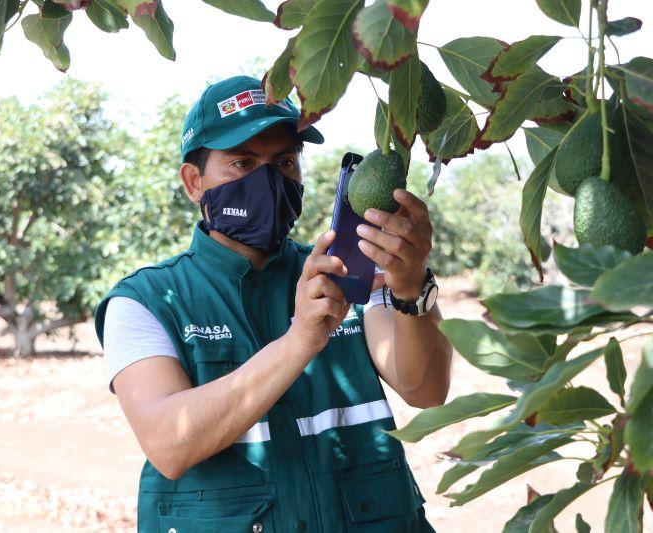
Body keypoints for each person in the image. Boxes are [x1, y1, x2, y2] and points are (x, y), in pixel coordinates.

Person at [93, 75, 452, 532]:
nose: (268, 179)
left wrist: (410, 287)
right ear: (193, 182)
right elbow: (169, 444)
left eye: (284, 161)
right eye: (242, 163)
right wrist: (299, 339)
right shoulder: (144, 302)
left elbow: (426, 390)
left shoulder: (345, 271)